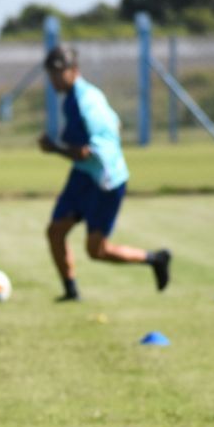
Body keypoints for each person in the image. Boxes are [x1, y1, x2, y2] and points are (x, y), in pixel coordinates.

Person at [40, 44, 171, 301]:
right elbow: (115, 122)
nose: (54, 79)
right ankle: (71, 293)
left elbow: (85, 152)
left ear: (74, 70)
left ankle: (155, 259)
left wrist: (53, 148)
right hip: (83, 175)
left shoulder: (85, 101)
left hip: (105, 182)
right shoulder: (78, 97)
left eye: (58, 72)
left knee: (96, 250)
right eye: (51, 74)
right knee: (55, 231)